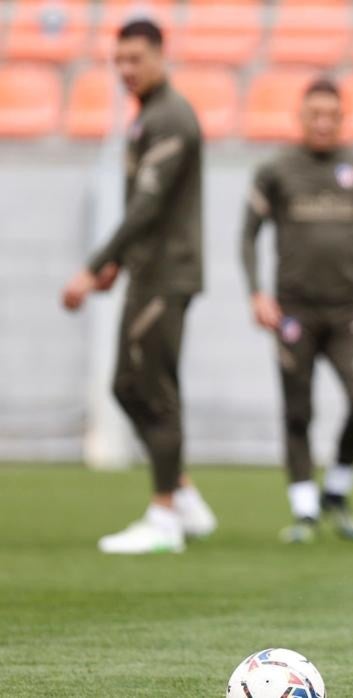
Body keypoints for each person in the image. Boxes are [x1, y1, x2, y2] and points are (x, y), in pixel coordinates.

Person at [61, 19, 217, 555]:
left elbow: (147, 208)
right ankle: (184, 493)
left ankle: (165, 518)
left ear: (159, 55)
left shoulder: (172, 117)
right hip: (147, 271)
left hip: (167, 274)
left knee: (153, 389)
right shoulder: (147, 116)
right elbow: (145, 210)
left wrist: (95, 265)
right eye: (118, 61)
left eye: (135, 59)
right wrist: (118, 266)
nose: (126, 70)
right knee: (127, 387)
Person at [240, 77, 353, 544]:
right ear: (301, 117)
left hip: (346, 313)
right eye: (315, 114)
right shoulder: (275, 172)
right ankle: (304, 508)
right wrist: (256, 293)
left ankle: (337, 489)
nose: (324, 123)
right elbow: (248, 235)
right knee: (297, 411)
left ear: (343, 118)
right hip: (293, 314)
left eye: (332, 115)